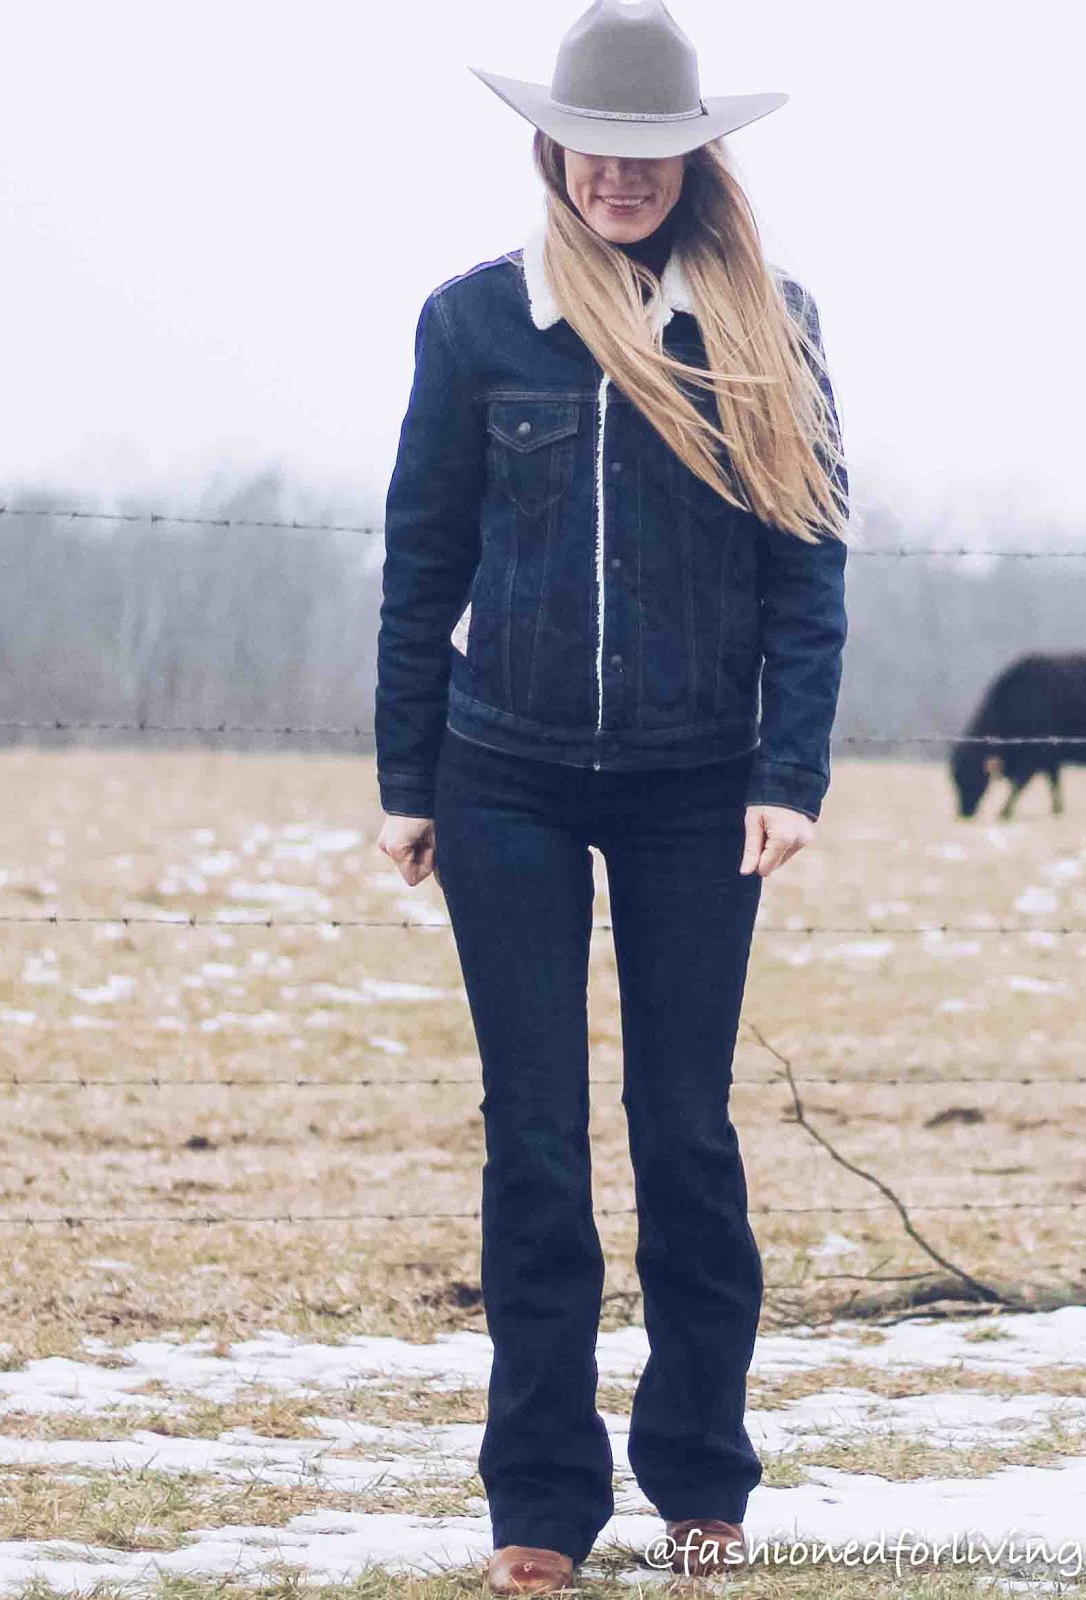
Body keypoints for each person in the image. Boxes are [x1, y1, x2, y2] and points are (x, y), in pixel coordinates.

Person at [374, 0, 849, 1586]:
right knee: (536, 1145)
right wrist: (404, 777)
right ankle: (538, 1514)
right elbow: (422, 561)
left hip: (697, 791)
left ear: (696, 159)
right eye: (599, 147)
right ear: (555, 146)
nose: (621, 178)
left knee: (685, 1133)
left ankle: (706, 1489)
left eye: (653, 152)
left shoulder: (769, 328)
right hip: (499, 770)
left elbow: (809, 574)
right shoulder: (477, 321)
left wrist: (792, 774)